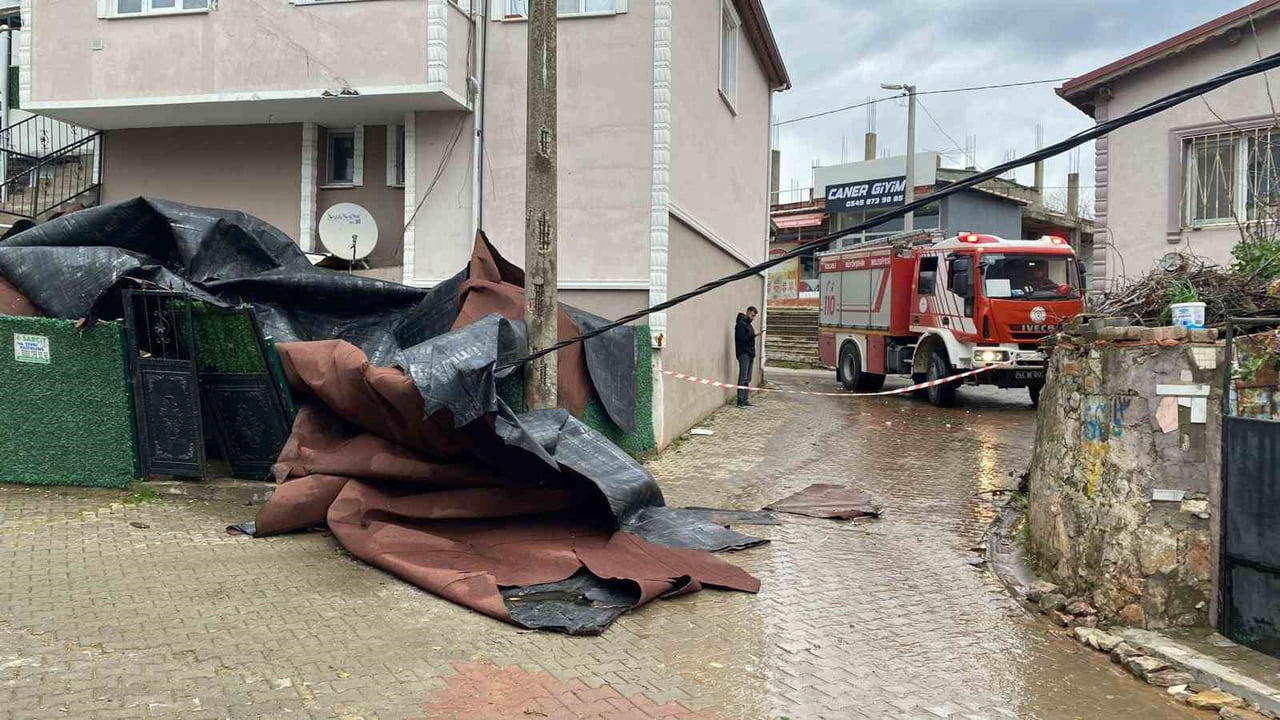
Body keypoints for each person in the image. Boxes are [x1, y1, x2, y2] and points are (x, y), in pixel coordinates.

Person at [734, 307, 762, 407]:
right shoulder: (741, 324)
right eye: (752, 315)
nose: (753, 318)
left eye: (754, 316)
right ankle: (740, 400)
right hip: (743, 353)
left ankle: (745, 399)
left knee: (747, 378)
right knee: (743, 377)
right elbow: (741, 339)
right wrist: (754, 335)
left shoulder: (749, 325)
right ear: (748, 313)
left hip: (750, 353)